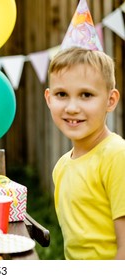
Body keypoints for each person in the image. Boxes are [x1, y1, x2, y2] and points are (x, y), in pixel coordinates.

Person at [44, 46, 125, 259]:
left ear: (110, 100)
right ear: (49, 98)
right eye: (62, 94)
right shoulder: (61, 166)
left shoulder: (117, 156)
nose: (72, 107)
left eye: (86, 95)